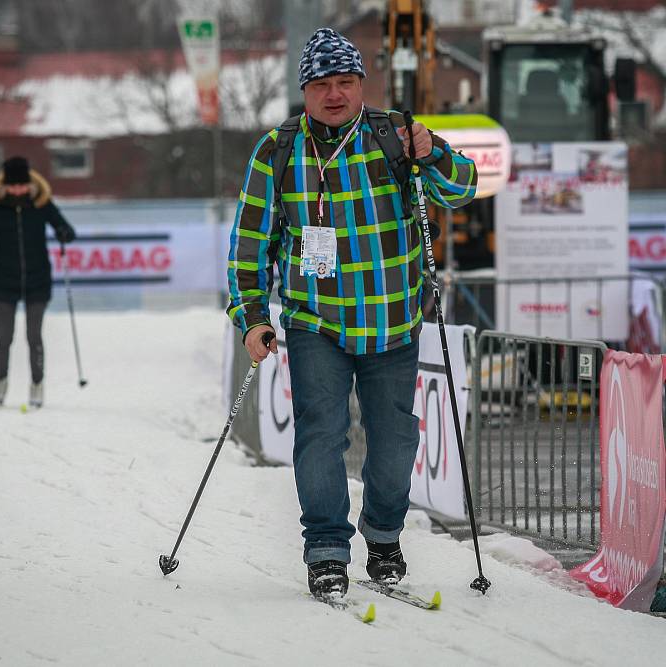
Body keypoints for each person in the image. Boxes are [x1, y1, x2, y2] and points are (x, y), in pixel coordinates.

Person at [227, 28, 477, 599]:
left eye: (345, 82)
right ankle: (326, 551)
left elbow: (463, 189)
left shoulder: (395, 136)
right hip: (317, 324)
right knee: (321, 436)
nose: (334, 93)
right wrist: (252, 318)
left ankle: (384, 537)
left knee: (394, 444)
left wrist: (434, 150)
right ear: (305, 90)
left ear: (363, 84)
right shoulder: (278, 150)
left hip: (392, 323)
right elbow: (249, 245)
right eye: (322, 84)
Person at [0, 156, 76, 409]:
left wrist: (64, 233)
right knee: (4, 337)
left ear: (29, 183)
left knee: (34, 336)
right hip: (4, 282)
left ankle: (37, 386)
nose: (17, 190)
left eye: (21, 185)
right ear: (4, 185)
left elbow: (66, 229)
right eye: (12, 186)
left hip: (37, 280)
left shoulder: (41, 203)